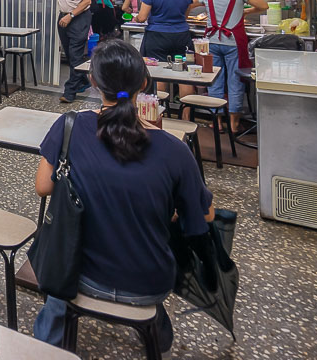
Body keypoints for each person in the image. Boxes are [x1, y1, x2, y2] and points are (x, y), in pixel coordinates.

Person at [33, 39, 214, 354]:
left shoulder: (70, 126)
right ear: (144, 84)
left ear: (92, 81)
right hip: (151, 285)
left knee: (58, 286)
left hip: (80, 277)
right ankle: (157, 332)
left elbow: (44, 187)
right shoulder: (175, 150)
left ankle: (46, 347)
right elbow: (205, 216)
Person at [189, 0, 268, 132]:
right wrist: (247, 11)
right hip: (234, 42)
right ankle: (234, 124)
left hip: (211, 42)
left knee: (214, 80)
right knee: (235, 81)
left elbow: (190, 4)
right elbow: (263, 6)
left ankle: (216, 122)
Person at [53, 0, 93, 103]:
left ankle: (70, 92)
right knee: (70, 55)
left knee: (75, 55)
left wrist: (71, 15)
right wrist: (65, 16)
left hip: (78, 17)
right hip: (64, 17)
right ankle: (83, 81)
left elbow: (87, 1)